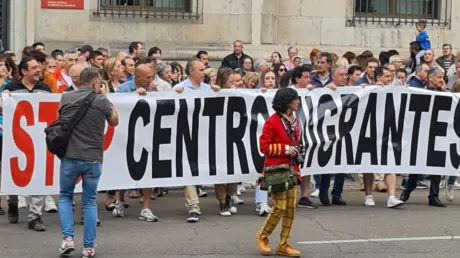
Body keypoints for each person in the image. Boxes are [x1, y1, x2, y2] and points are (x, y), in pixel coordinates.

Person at [57, 67, 119, 257]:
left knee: (65, 197)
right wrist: (106, 96)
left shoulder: (66, 98)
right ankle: (89, 247)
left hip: (70, 155)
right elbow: (114, 121)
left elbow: (60, 121)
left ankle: (68, 238)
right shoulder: (101, 101)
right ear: (94, 83)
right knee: (90, 202)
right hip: (92, 158)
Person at [256, 87, 302, 257]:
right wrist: (285, 149)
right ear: (286, 102)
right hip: (276, 171)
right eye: (294, 99)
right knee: (280, 207)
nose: (298, 101)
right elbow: (264, 147)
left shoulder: (295, 121)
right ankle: (262, 235)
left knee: (290, 208)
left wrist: (296, 151)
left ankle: (283, 243)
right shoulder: (272, 122)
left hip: (292, 170)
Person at [400, 67, 446, 208]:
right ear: (430, 78)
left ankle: (434, 196)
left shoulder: (446, 94)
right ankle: (408, 189)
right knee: (417, 165)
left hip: (438, 134)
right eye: (439, 77)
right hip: (421, 133)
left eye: (442, 77)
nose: (441, 80)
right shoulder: (420, 91)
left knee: (437, 166)